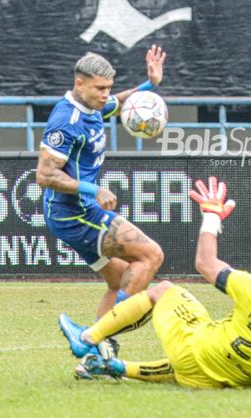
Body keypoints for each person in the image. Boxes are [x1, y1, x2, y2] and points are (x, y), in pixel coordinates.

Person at [58, 176, 251, 388]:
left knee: (164, 290)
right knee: (202, 346)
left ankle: (87, 337)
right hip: (229, 379)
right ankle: (117, 367)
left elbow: (205, 263)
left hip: (197, 357)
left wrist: (211, 216)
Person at [36, 45, 168, 357]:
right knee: (151, 256)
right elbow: (44, 175)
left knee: (122, 279)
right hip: (74, 214)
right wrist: (91, 189)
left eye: (108, 87)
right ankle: (93, 338)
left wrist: (150, 85)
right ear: (79, 84)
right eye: (100, 88)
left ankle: (95, 354)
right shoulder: (66, 121)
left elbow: (121, 104)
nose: (107, 94)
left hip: (75, 212)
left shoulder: (93, 106)